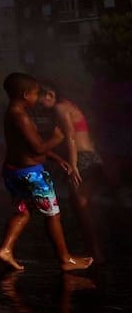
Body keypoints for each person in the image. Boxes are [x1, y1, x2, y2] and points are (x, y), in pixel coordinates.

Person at [0, 73, 92, 273]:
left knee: (23, 211)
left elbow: (28, 145)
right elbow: (38, 148)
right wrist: (57, 138)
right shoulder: (21, 117)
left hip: (13, 171)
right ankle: (65, 259)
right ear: (25, 95)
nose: (37, 98)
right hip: (32, 175)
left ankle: (6, 249)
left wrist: (57, 159)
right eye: (35, 94)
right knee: (53, 215)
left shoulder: (11, 114)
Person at [38, 81, 104, 264]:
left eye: (40, 100)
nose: (39, 105)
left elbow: (70, 137)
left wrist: (73, 165)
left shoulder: (60, 108)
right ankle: (95, 250)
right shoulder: (69, 105)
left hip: (82, 159)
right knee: (83, 207)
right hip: (91, 156)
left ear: (50, 95)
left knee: (82, 209)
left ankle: (96, 252)